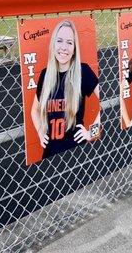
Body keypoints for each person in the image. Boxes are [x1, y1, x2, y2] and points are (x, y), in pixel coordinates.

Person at [30, 19, 100, 160]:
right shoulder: (45, 75)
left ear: (74, 48)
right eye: (60, 41)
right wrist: (40, 131)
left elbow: (107, 98)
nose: (64, 48)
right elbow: (34, 110)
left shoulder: (83, 72)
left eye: (69, 43)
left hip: (77, 153)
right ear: (53, 44)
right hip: (50, 154)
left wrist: (92, 132)